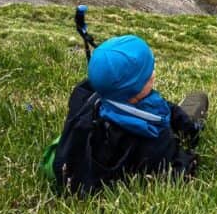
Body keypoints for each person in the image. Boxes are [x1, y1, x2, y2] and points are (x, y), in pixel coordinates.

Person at [48, 34, 208, 195]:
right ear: (135, 92)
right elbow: (168, 175)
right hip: (144, 150)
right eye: (148, 73)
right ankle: (191, 124)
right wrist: (187, 158)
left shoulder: (91, 102)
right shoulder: (152, 138)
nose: (153, 73)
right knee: (200, 99)